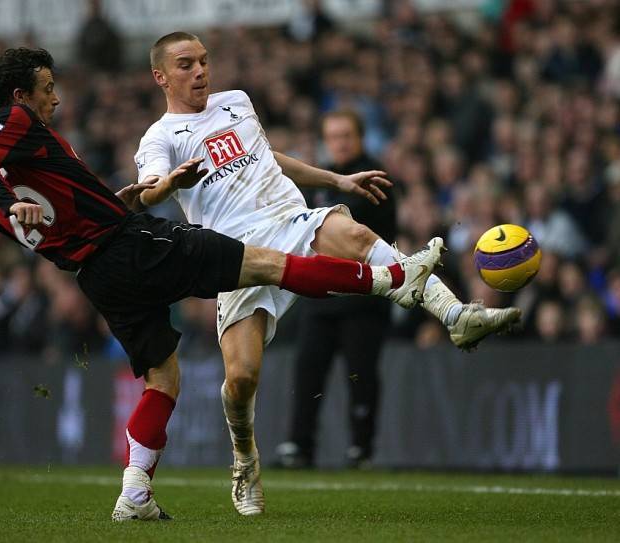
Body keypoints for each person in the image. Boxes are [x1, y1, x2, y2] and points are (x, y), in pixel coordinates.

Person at [0, 47, 443, 522]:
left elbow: (62, 214)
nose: (56, 98)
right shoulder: (18, 126)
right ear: (20, 95)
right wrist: (10, 202)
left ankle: (135, 491)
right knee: (266, 263)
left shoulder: (27, 164)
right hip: (132, 246)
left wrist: (110, 202)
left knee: (163, 379)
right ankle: (394, 278)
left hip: (96, 274)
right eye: (47, 88)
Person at [135, 31, 521, 516]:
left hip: (288, 219)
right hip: (236, 254)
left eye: (204, 61)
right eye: (186, 64)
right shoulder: (160, 137)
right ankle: (245, 459)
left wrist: (335, 178)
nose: (199, 72)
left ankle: (455, 314)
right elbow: (148, 189)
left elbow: (267, 158)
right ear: (161, 76)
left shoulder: (236, 101)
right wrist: (169, 183)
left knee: (355, 236)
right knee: (242, 378)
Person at [276, 109, 396, 469]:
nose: (340, 143)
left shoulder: (374, 176)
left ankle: (361, 448)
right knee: (307, 372)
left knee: (361, 374)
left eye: (346, 135)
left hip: (363, 296)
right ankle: (299, 445)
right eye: (333, 137)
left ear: (360, 137)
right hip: (321, 296)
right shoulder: (324, 179)